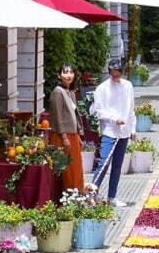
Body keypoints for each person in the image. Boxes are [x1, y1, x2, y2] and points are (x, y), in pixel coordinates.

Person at [91, 59, 136, 208]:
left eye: (118, 75)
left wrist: (133, 129)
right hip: (110, 130)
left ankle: (112, 196)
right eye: (113, 75)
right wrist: (114, 119)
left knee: (117, 165)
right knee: (104, 162)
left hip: (124, 131)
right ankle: (92, 193)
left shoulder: (128, 86)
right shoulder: (102, 88)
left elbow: (131, 109)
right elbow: (98, 111)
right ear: (109, 73)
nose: (115, 78)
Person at [48, 64, 84, 192]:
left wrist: (78, 135)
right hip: (61, 136)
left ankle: (76, 195)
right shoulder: (57, 92)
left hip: (72, 135)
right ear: (59, 75)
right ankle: (66, 197)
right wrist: (64, 137)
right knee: (66, 170)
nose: (68, 75)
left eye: (71, 72)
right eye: (65, 72)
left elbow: (74, 115)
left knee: (76, 168)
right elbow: (57, 116)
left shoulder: (70, 92)